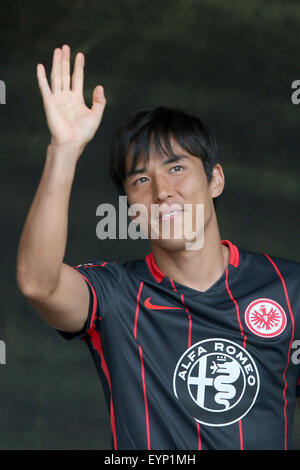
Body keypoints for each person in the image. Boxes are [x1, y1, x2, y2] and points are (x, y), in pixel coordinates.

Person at [16, 44, 300, 451]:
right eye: (140, 181)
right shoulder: (114, 295)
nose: (163, 191)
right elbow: (38, 284)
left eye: (177, 168)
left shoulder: (291, 289)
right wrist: (64, 150)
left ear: (215, 180)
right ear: (130, 208)